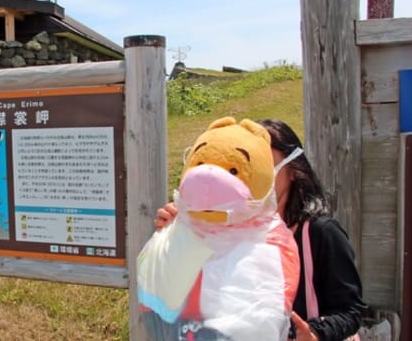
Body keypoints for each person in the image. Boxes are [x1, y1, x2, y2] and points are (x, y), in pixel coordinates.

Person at [155, 119, 366, 341]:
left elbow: (350, 311)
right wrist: (179, 232)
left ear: (294, 170)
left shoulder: (320, 233)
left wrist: (314, 333)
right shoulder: (221, 231)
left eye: (265, 163)